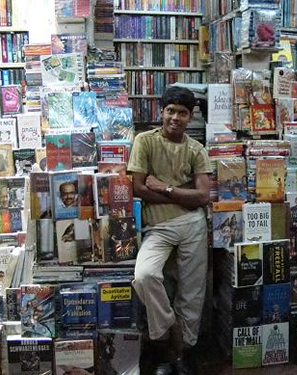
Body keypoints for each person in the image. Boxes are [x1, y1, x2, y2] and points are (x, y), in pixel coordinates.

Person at [128, 87, 212, 375]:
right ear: (161, 112)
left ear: (190, 117)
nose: (176, 117)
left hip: (193, 226)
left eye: (183, 113)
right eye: (171, 111)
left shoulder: (196, 149)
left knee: (191, 292)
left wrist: (163, 187)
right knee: (145, 276)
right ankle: (170, 333)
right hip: (158, 227)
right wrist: (181, 195)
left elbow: (203, 196)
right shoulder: (144, 141)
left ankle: (180, 354)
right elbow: (137, 187)